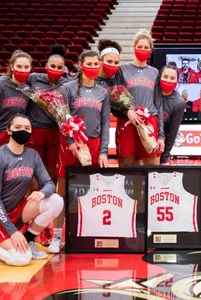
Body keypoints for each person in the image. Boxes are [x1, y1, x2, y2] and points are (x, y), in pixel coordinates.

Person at [0, 114, 64, 266]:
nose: (23, 131)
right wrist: (13, 232)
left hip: (15, 210)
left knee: (56, 201)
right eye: (18, 127)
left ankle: (27, 240)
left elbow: (49, 183)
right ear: (8, 130)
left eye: (27, 128)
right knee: (21, 259)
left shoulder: (32, 155)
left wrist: (42, 192)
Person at [53, 50, 111, 253]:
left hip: (93, 145)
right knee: (62, 192)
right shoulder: (67, 88)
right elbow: (62, 118)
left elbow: (105, 124)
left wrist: (103, 151)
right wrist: (70, 141)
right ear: (81, 64)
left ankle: (88, 231)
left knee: (91, 192)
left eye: (97, 64)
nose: (94, 67)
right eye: (90, 64)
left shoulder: (103, 92)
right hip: (71, 145)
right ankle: (57, 235)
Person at [25, 44, 68, 250]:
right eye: (53, 66)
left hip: (54, 133)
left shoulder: (67, 84)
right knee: (33, 182)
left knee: (48, 180)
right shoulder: (34, 79)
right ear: (46, 65)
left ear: (64, 69)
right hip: (34, 132)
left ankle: (45, 225)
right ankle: (30, 224)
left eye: (60, 67)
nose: (56, 70)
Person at [117, 29, 164, 167]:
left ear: (150, 50)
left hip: (149, 122)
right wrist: (127, 112)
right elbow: (116, 98)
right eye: (140, 47)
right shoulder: (122, 70)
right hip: (128, 122)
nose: (142, 50)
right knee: (127, 169)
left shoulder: (155, 72)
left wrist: (161, 135)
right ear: (134, 48)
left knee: (152, 170)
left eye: (146, 47)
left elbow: (158, 104)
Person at [0, 50, 33, 150]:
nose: (22, 70)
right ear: (12, 67)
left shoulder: (28, 89)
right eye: (19, 66)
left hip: (16, 136)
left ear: (30, 68)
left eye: (26, 67)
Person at [158, 63, 186, 165]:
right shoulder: (151, 93)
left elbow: (172, 134)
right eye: (165, 77)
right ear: (159, 77)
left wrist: (164, 159)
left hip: (157, 147)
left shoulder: (179, 103)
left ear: (177, 82)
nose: (168, 80)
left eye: (172, 78)